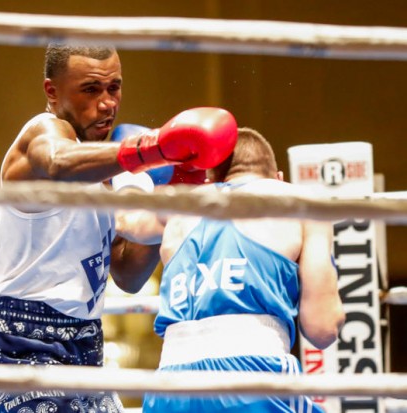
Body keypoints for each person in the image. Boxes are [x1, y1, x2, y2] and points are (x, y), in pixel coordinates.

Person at [0, 43, 238, 413]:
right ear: (52, 92)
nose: (107, 103)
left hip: (85, 342)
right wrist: (151, 149)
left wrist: (176, 191)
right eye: (90, 89)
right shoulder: (42, 133)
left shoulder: (106, 172)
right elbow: (57, 161)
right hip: (25, 343)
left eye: (114, 88)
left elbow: (128, 273)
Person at [138, 127, 345, 412]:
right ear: (278, 179)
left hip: (169, 383)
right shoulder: (298, 201)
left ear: (210, 179)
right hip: (254, 372)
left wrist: (138, 162)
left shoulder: (180, 206)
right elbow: (322, 329)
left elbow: (125, 221)